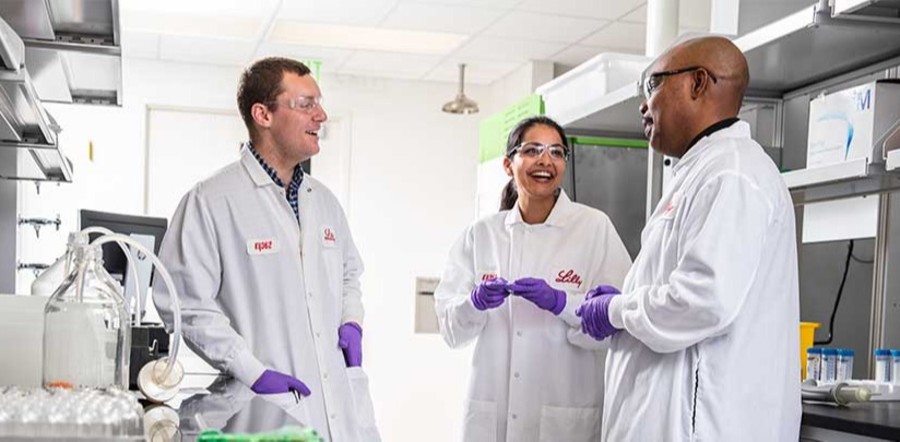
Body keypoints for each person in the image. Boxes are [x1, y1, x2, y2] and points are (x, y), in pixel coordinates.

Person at [577, 36, 801, 441]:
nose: (644, 105)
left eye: (653, 85)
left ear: (698, 83)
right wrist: (627, 304)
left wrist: (617, 311)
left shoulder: (732, 174)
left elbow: (703, 300)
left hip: (702, 426)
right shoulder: (704, 170)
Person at [153, 57, 379, 442]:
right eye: (306, 104)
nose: (321, 115)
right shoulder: (211, 200)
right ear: (263, 114)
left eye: (319, 103)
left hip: (338, 409)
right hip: (259, 414)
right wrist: (252, 371)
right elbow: (184, 303)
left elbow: (348, 274)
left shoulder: (323, 201)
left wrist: (352, 320)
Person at [434, 116, 632, 442]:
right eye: (532, 150)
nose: (545, 160)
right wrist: (473, 304)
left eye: (556, 152)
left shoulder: (594, 228)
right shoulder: (482, 235)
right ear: (508, 164)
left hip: (565, 415)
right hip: (491, 415)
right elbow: (451, 331)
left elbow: (620, 326)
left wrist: (562, 303)